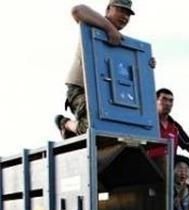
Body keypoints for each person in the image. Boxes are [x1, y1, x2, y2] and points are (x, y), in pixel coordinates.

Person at [55, 0, 143, 138]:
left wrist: (146, 64)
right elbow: (77, 10)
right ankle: (65, 124)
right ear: (108, 9)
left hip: (106, 94)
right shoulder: (95, 23)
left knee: (119, 129)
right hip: (81, 88)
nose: (125, 16)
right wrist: (109, 29)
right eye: (120, 10)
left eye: (128, 14)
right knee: (91, 126)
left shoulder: (121, 42)